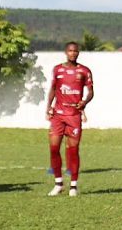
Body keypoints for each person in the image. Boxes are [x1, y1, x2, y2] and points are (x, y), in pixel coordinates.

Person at [45, 41, 94, 197]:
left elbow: (91, 92)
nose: (73, 53)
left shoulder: (84, 71)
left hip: (74, 115)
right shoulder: (58, 69)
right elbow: (53, 88)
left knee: (73, 150)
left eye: (75, 51)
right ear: (66, 52)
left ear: (78, 53)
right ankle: (58, 183)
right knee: (53, 149)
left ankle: (73, 186)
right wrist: (48, 106)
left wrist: (84, 102)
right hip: (58, 115)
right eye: (70, 51)